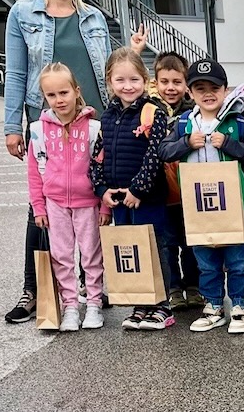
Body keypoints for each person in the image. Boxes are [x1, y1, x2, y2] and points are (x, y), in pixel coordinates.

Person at [3, 0, 114, 324]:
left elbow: (108, 71)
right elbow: (16, 72)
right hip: (46, 121)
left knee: (94, 203)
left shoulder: (94, 18)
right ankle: (34, 289)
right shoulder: (22, 13)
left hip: (93, 121)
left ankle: (91, 288)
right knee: (43, 205)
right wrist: (12, 126)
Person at [159, 59, 244, 335]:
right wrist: (185, 143)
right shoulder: (184, 123)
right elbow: (164, 151)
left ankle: (239, 305)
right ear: (190, 92)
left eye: (214, 88)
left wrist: (228, 144)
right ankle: (214, 305)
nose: (208, 93)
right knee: (206, 259)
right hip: (198, 205)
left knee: (237, 259)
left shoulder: (236, 121)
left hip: (232, 203)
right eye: (200, 88)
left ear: (225, 90)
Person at [89, 48, 173, 331]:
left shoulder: (153, 112)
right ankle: (140, 303)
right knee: (131, 251)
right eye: (120, 80)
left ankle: (161, 305)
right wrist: (102, 189)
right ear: (109, 82)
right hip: (119, 200)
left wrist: (138, 189)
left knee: (154, 248)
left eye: (134, 79)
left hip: (147, 198)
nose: (128, 86)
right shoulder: (107, 117)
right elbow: (97, 157)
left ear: (145, 80)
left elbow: (155, 155)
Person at [26, 63, 108, 332]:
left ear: (76, 91)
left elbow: (103, 169)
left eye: (64, 92)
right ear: (44, 97)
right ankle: (70, 306)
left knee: (91, 255)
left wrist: (105, 207)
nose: (59, 100)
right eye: (51, 95)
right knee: (61, 256)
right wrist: (39, 207)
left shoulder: (94, 128)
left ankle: (94, 303)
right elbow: (34, 172)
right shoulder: (39, 131)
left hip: (88, 202)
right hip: (55, 203)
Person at [147, 51, 201, 312]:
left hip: (188, 189)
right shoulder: (149, 110)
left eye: (177, 82)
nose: (171, 88)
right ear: (155, 82)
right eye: (165, 82)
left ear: (186, 83)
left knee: (191, 241)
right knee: (168, 243)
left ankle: (194, 286)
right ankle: (173, 288)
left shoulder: (193, 112)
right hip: (161, 191)